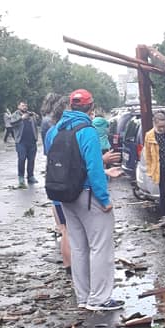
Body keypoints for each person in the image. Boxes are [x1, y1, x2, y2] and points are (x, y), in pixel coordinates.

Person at [45, 89, 124, 312]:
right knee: (100, 247)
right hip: (88, 196)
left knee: (79, 247)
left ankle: (83, 296)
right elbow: (94, 168)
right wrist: (104, 199)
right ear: (91, 107)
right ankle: (99, 299)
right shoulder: (87, 131)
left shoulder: (56, 130)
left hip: (64, 195)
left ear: (71, 106)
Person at [43, 95, 72, 274]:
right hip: (70, 188)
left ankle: (68, 267)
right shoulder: (70, 132)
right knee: (70, 231)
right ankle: (74, 268)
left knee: (64, 229)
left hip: (54, 184)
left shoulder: (50, 132)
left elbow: (49, 156)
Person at [9, 100, 39, 187]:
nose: (25, 107)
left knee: (31, 159)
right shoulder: (15, 115)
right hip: (21, 142)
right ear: (18, 106)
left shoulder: (30, 114)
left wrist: (37, 117)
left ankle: (30, 176)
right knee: (22, 159)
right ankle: (21, 177)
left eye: (26, 105)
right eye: (22, 105)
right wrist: (21, 118)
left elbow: (38, 122)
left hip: (32, 141)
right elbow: (11, 124)